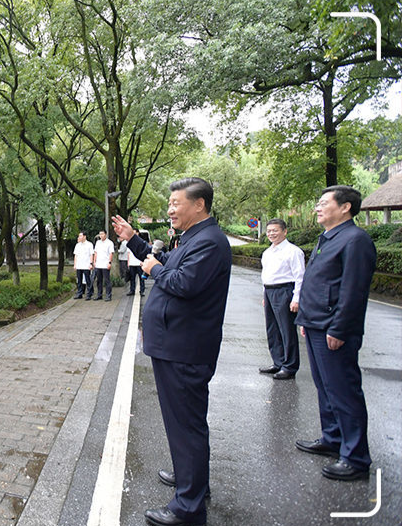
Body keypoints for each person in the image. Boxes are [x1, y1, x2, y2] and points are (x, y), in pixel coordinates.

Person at [112, 177, 231, 526]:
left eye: (176, 203)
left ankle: (188, 508)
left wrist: (154, 270)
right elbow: (163, 258)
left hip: (185, 347)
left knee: (186, 426)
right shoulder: (194, 238)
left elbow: (181, 282)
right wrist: (134, 240)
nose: (170, 209)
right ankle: (192, 480)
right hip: (176, 344)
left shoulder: (209, 242)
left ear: (199, 205)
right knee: (185, 424)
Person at [294, 186, 376, 481]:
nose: (317, 207)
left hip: (333, 329)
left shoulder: (355, 240)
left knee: (343, 391)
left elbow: (353, 291)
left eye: (323, 203)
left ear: (345, 208)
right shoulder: (327, 238)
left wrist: (340, 328)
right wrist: (305, 317)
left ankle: (355, 457)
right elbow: (318, 283)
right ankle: (333, 439)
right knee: (325, 387)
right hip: (316, 323)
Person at [259, 218, 305, 380]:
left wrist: (296, 298)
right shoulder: (267, 252)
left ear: (285, 231)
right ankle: (277, 362)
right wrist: (264, 294)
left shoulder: (293, 251)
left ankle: (290, 366)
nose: (271, 233)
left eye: (275, 230)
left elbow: (300, 277)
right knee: (272, 329)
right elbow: (266, 275)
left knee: (287, 330)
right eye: (269, 231)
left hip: (285, 291)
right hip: (270, 291)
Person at [91, 230, 115, 301]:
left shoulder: (109, 243)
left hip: (105, 264)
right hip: (98, 264)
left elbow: (111, 253)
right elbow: (96, 252)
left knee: (107, 280)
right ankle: (99, 294)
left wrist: (109, 262)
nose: (101, 235)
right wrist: (94, 261)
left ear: (106, 234)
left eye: (102, 234)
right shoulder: (98, 242)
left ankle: (108, 295)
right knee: (99, 281)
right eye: (100, 234)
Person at [73, 232, 94, 300]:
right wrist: (75, 264)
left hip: (86, 265)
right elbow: (76, 255)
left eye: (80, 236)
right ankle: (79, 293)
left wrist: (91, 263)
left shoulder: (89, 244)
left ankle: (89, 293)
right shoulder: (77, 245)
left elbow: (91, 255)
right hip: (79, 265)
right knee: (79, 280)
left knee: (88, 280)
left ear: (84, 236)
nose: (79, 237)